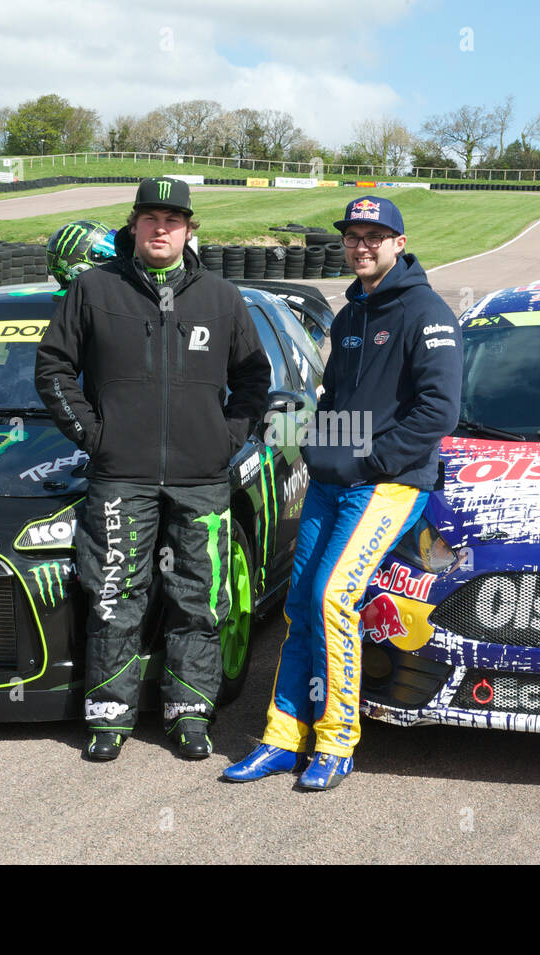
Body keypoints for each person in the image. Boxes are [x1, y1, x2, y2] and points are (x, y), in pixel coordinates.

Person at [223, 195, 462, 790]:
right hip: (332, 483)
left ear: (398, 244)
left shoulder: (426, 310)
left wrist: (372, 460)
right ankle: (283, 738)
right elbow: (332, 402)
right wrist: (310, 446)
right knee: (299, 604)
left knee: (334, 599)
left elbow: (439, 411)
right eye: (353, 236)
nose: (362, 245)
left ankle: (335, 743)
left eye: (374, 236)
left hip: (387, 486)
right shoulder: (351, 313)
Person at [35, 178, 272, 762]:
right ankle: (108, 716)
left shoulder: (221, 297)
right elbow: (54, 368)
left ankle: (189, 712)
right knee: (116, 593)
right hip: (121, 477)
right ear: (133, 225)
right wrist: (95, 436)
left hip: (202, 479)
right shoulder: (93, 288)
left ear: (191, 229)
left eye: (173, 218)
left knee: (200, 599)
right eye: (150, 217)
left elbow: (252, 380)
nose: (161, 227)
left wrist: (225, 440)